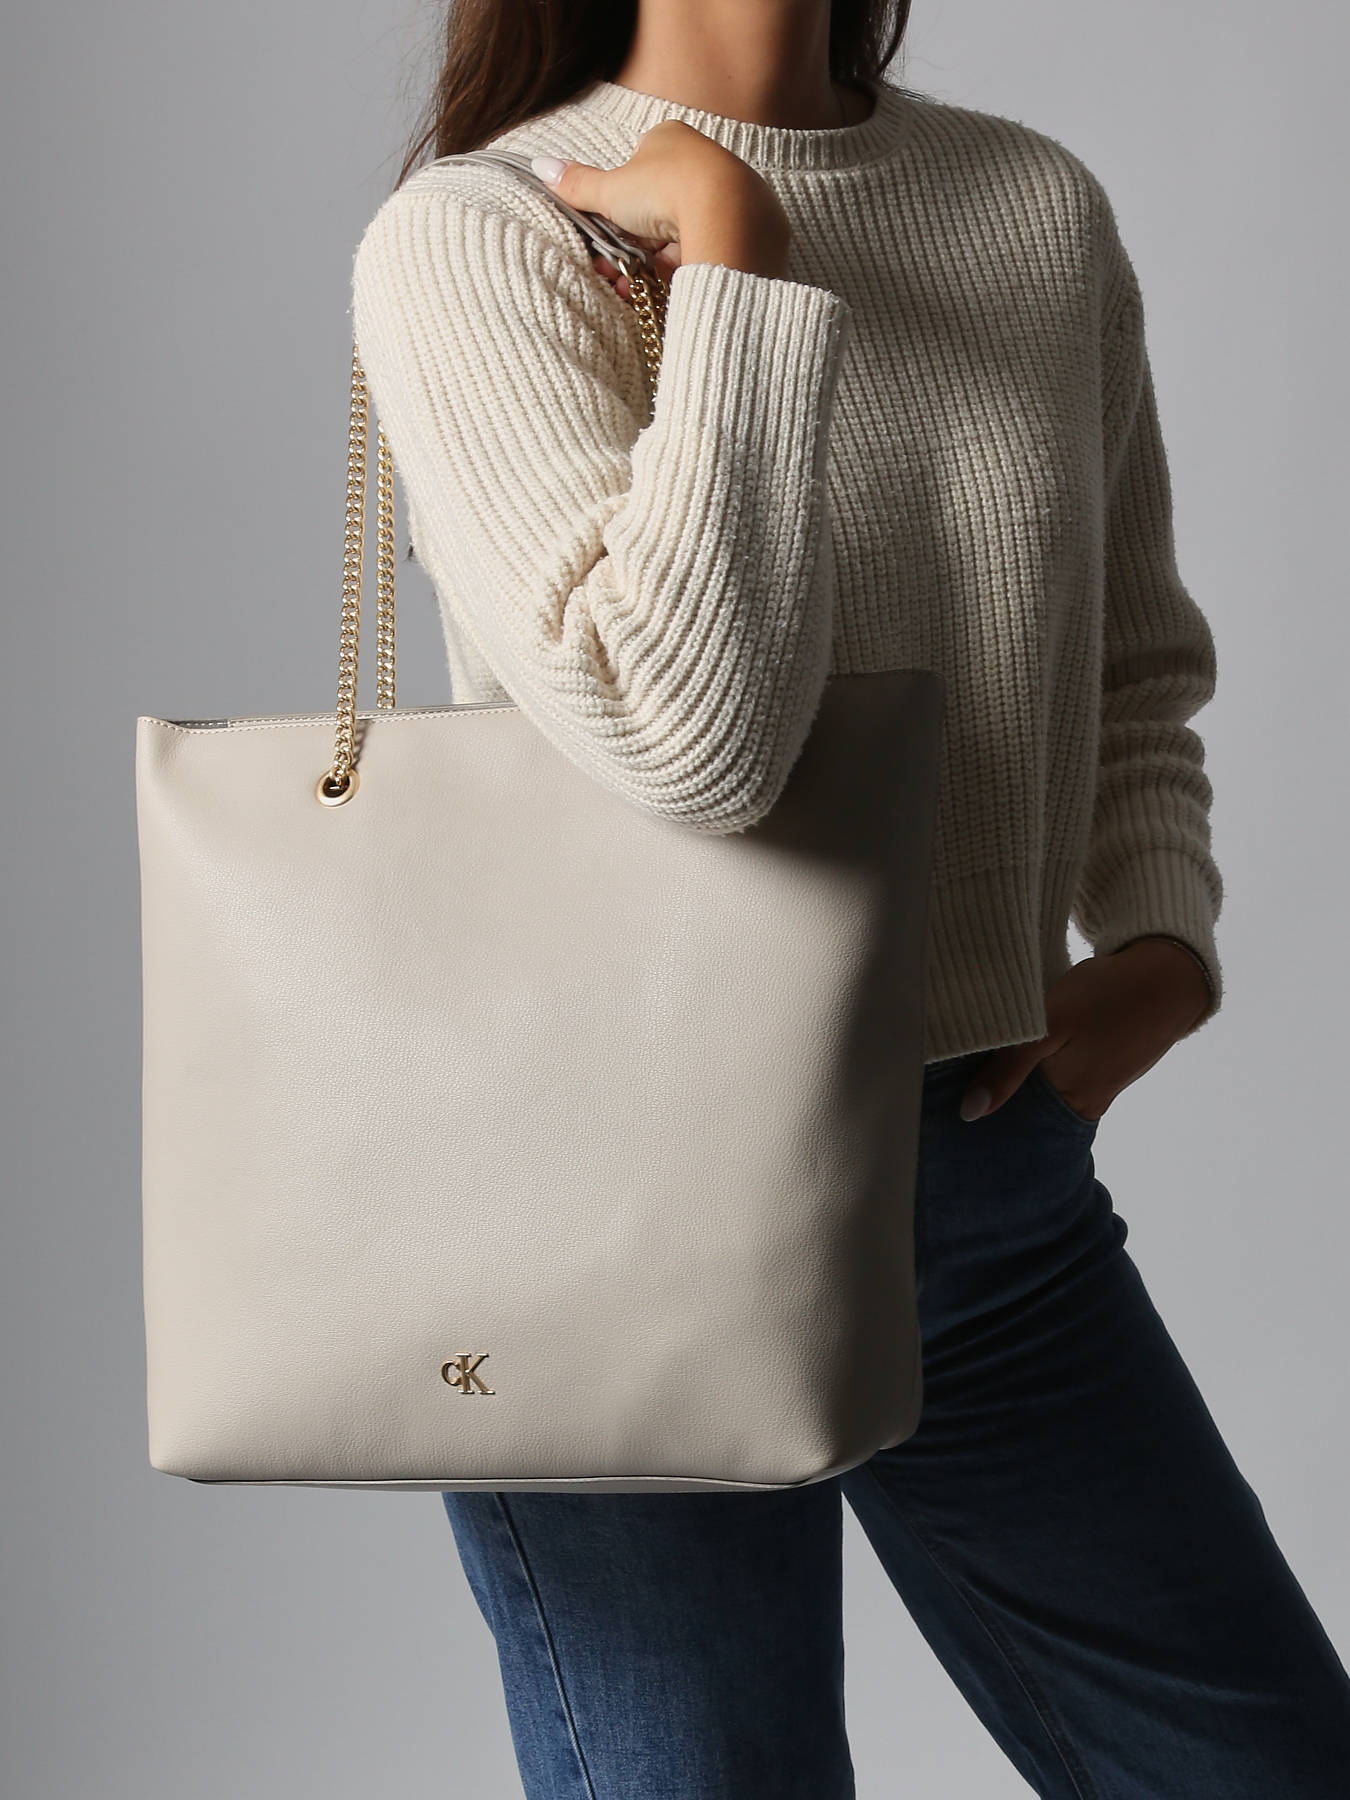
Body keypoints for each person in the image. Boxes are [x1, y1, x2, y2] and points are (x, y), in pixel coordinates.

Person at [350, 2, 1350, 1792]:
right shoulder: (483, 234)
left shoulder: (1028, 208)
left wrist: (1160, 944)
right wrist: (733, 259)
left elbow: (1130, 662)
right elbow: (686, 738)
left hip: (980, 1175)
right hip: (611, 1205)